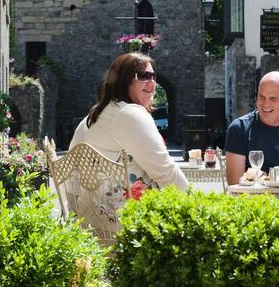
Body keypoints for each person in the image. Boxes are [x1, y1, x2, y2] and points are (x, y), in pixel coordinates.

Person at [69, 52, 189, 192]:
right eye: (143, 76)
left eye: (153, 76)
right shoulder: (130, 113)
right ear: (123, 81)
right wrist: (191, 197)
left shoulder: (94, 117)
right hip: (126, 205)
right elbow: (164, 170)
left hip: (89, 203)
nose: (151, 82)